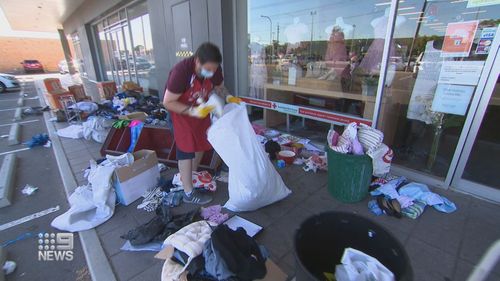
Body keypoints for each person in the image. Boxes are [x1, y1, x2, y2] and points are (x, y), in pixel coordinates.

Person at [163, 42, 240, 205]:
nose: (211, 73)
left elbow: (219, 87)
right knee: (185, 149)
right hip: (180, 111)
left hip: (201, 108)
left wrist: (229, 98)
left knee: (200, 143)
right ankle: (188, 192)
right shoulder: (181, 72)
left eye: (214, 70)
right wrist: (192, 111)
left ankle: (191, 176)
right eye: (208, 69)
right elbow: (168, 102)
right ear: (197, 61)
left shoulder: (215, 69)